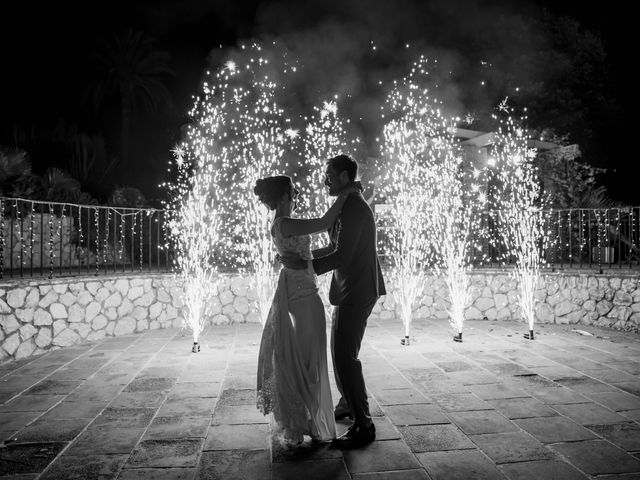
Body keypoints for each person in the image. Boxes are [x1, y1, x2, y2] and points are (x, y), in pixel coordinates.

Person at [280, 154, 386, 449]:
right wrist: (305, 258)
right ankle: (348, 404)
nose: (324, 179)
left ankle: (364, 425)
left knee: (344, 356)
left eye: (329, 174)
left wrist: (303, 267)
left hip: (359, 289)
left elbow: (343, 255)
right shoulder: (348, 203)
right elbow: (334, 246)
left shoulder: (353, 207)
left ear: (343, 176)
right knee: (340, 352)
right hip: (351, 287)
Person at [255, 175, 360, 447]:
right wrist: (345, 194)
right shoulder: (286, 222)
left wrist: (297, 261)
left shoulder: (282, 224)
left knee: (305, 355)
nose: (296, 195)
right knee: (310, 356)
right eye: (292, 193)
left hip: (300, 291)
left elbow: (303, 256)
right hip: (302, 296)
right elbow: (325, 222)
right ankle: (306, 418)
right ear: (280, 198)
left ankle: (306, 418)